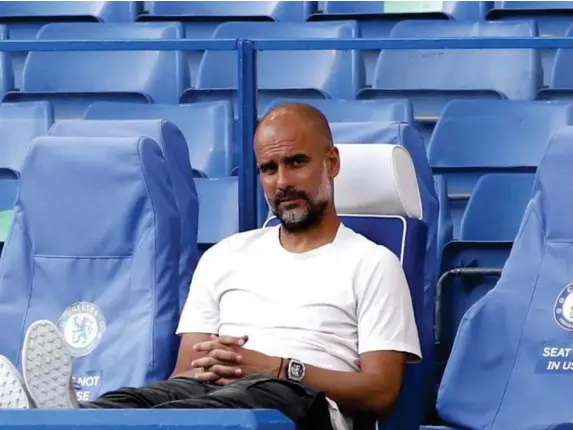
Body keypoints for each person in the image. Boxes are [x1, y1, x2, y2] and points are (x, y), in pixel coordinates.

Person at [0, 103, 421, 430]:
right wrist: (212, 367)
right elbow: (185, 371)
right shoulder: (226, 255)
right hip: (211, 391)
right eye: (268, 169)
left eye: (296, 162)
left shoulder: (373, 264)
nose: (282, 182)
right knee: (139, 402)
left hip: (299, 400)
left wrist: (275, 366)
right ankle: (69, 416)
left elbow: (382, 391)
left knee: (234, 402)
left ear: (331, 163)